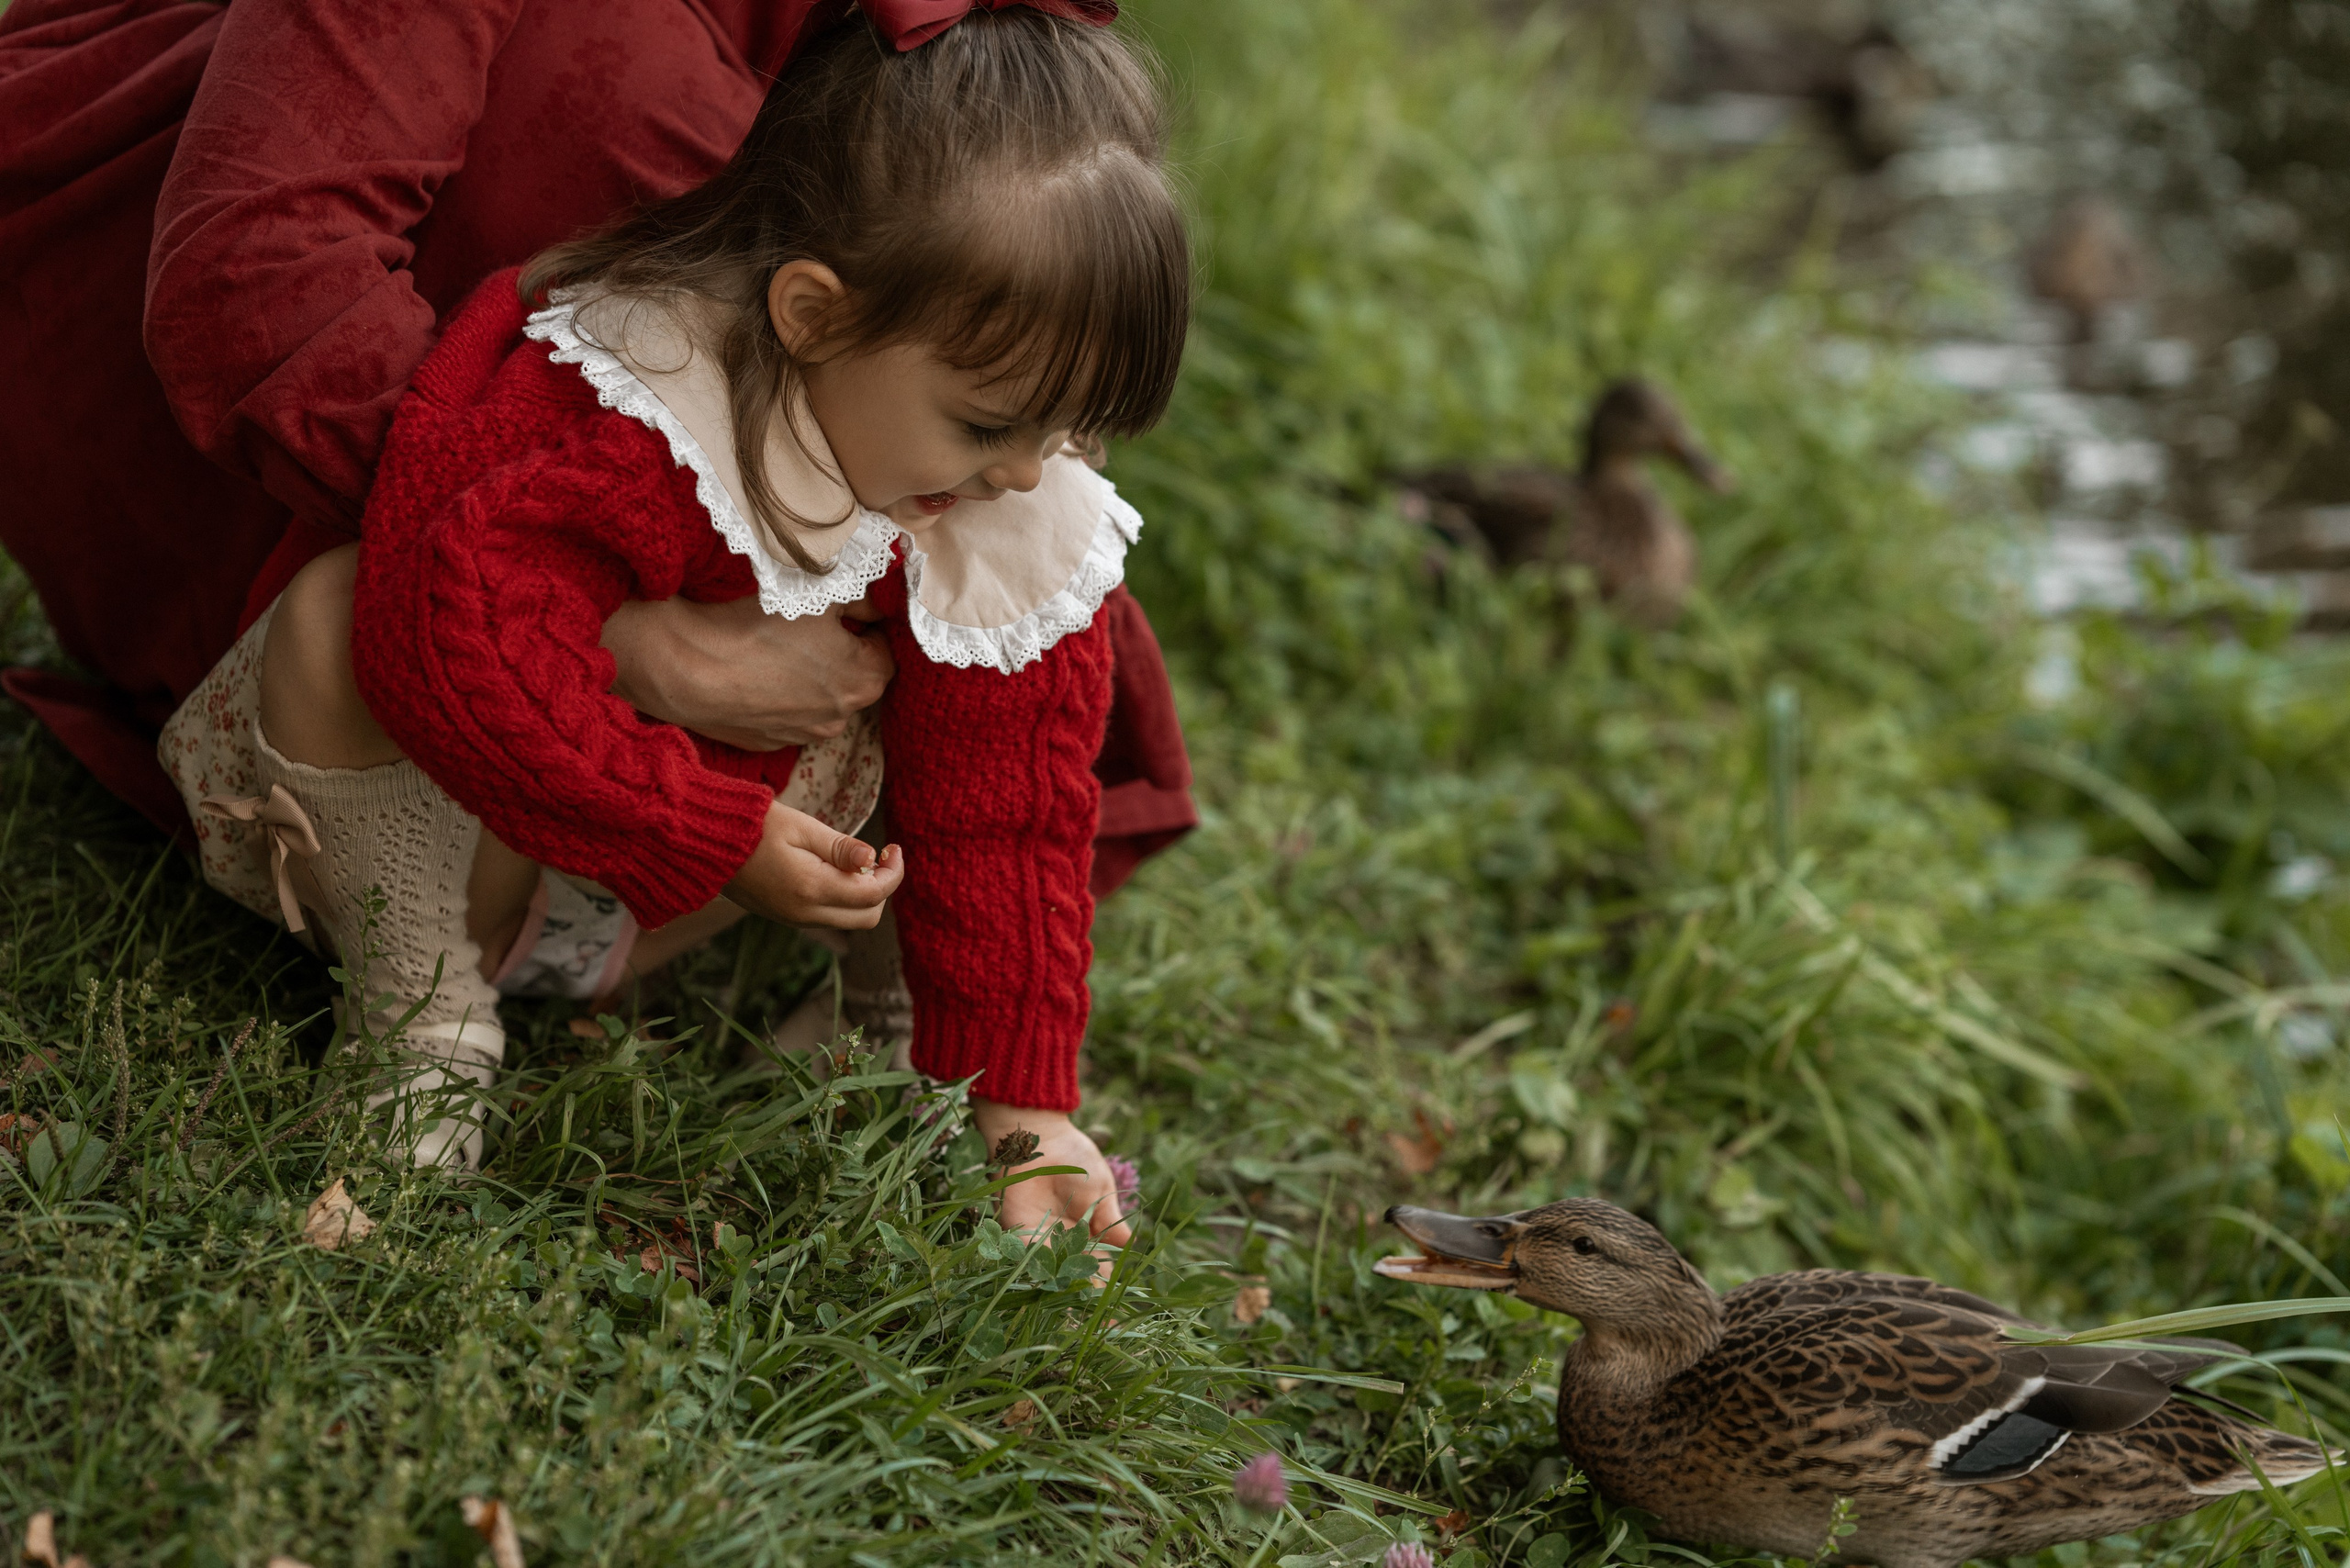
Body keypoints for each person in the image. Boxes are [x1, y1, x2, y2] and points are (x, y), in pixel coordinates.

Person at [158, 1, 1181, 1252]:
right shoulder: (645, 400)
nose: (1024, 475)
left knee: (980, 704)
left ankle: (903, 1033)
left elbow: (1014, 811)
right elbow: (454, 623)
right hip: (461, 853)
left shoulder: (994, 493)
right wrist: (705, 827)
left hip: (660, 917)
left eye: (1063, 430)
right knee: (337, 609)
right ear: (809, 313)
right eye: (988, 425)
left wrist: (1028, 1110)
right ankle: (420, 1020)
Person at [0, 0, 1195, 901]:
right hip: (333, 521)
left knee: (998, 544)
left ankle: (658, 894)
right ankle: (462, 932)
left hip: (743, 524)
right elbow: (256, 284)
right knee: (618, 96)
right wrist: (605, 630)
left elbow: (1012, 312)